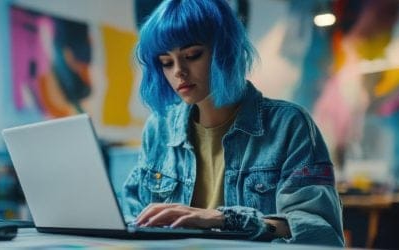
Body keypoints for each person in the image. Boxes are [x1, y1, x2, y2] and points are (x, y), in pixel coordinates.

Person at [122, 0, 344, 246]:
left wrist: (225, 219)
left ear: (224, 50)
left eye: (192, 55)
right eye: (166, 62)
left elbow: (322, 233)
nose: (178, 71)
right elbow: (132, 215)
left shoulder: (288, 125)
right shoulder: (159, 129)